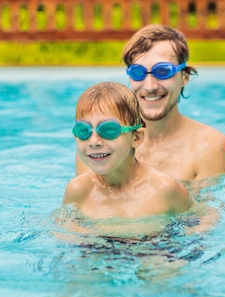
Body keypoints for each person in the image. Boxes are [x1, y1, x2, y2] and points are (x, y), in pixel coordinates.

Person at [76, 24, 225, 182]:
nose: (150, 86)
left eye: (163, 71)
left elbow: (206, 207)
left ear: (184, 77)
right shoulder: (98, 143)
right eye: (138, 72)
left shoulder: (209, 146)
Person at [63, 81, 193, 222]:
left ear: (136, 137)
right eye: (83, 131)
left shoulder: (165, 189)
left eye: (109, 130)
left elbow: (200, 227)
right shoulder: (78, 190)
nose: (94, 142)